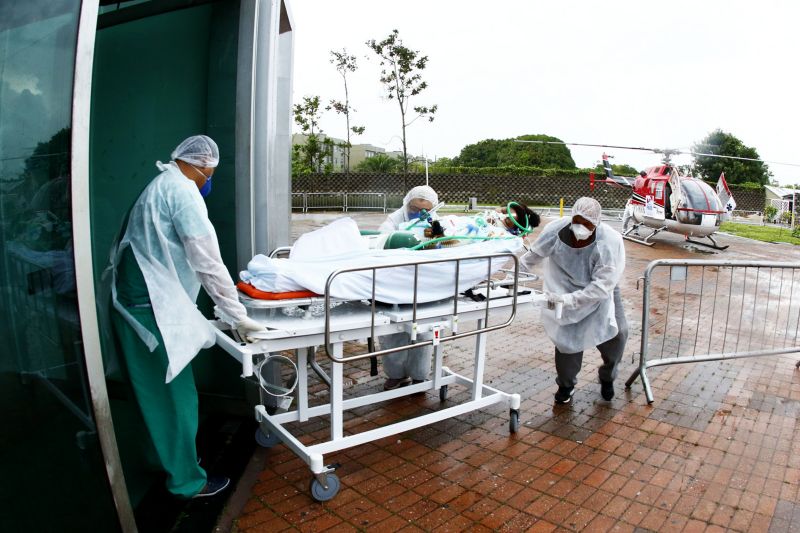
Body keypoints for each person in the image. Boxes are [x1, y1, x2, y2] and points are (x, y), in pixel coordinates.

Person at [110, 135, 265, 499]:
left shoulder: (161, 184)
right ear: (201, 166)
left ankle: (161, 461)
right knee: (176, 400)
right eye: (211, 172)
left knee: (152, 395)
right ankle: (187, 483)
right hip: (153, 311)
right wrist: (238, 315)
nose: (211, 178)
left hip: (139, 303)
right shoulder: (182, 194)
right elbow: (207, 261)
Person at [521, 197, 627, 404]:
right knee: (566, 342)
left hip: (601, 292)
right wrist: (512, 279)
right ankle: (566, 385)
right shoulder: (555, 231)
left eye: (587, 224)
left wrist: (569, 300)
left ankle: (607, 377)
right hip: (563, 289)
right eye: (577, 221)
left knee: (617, 335)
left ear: (596, 223)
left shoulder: (608, 241)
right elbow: (530, 258)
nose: (581, 228)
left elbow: (601, 286)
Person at [377, 185, 439, 389]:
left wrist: (435, 238)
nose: (417, 214)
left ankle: (420, 375)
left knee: (424, 331)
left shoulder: (436, 222)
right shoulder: (395, 220)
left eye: (424, 210)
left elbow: (446, 245)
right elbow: (381, 241)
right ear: (407, 204)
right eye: (414, 208)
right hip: (395, 285)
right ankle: (395, 374)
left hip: (424, 286)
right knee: (392, 331)